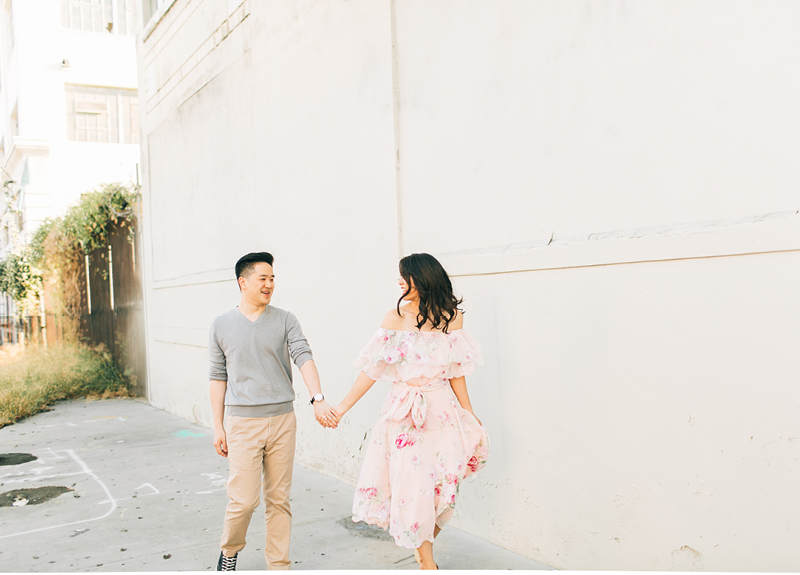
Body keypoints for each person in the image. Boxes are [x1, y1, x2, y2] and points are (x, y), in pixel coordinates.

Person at [332, 253, 489, 570]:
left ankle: (422, 547)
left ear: (423, 278)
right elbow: (371, 371)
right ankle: (427, 563)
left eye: (405, 275)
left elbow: (456, 371)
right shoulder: (394, 318)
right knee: (415, 488)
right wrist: (341, 408)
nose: (400, 281)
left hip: (441, 413)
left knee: (445, 487)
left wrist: (469, 413)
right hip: (404, 417)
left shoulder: (452, 319)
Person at [209, 252, 339, 571]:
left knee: (278, 500)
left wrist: (317, 397)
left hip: (282, 421)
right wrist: (218, 426)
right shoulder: (221, 325)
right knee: (243, 501)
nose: (269, 285)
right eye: (262, 279)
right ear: (243, 282)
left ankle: (278, 565)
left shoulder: (284, 319)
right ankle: (230, 550)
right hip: (242, 423)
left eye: (272, 279)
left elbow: (304, 357)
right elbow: (217, 376)